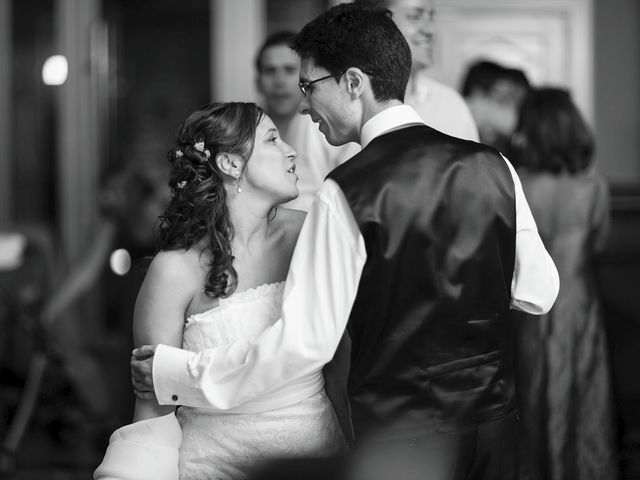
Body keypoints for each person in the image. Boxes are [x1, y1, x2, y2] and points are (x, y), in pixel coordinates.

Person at [132, 5, 559, 479]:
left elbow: (304, 344)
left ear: (353, 82)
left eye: (309, 87)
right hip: (494, 426)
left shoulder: (345, 191)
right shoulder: (493, 163)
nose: (302, 105)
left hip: (402, 440)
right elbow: (538, 292)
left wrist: (178, 376)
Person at [94, 103, 346, 480]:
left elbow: (322, 347)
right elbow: (153, 411)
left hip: (314, 454)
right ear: (230, 163)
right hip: (214, 465)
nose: (292, 150)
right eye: (273, 140)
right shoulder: (173, 271)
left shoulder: (308, 235)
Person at [509, 88, 618, 480]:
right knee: (583, 397)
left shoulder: (517, 184)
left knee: (530, 395)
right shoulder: (593, 189)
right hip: (578, 306)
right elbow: (598, 244)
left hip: (528, 307)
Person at [256, 31, 358, 212]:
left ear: (305, 76)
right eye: (270, 71)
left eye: (289, 70)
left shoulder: (333, 129)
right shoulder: (247, 133)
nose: (279, 81)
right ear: (258, 82)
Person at [356, 0, 479, 142]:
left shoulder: (451, 106)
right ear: (376, 24)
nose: (430, 30)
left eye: (431, 17)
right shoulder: (344, 105)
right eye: (414, 16)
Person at [461, 60, 530, 153]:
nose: (507, 104)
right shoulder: (475, 106)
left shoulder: (464, 106)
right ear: (478, 91)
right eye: (500, 95)